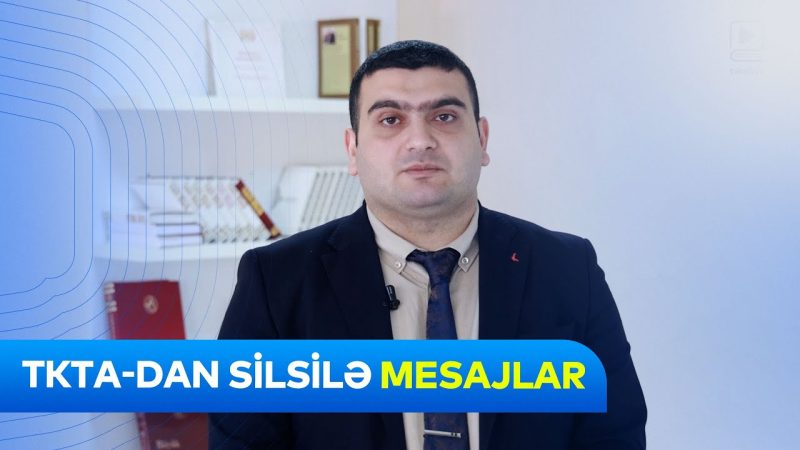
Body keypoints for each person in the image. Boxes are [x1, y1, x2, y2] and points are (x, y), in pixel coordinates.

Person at [210, 40, 646, 450]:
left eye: (444, 117)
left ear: (482, 139)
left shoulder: (567, 269)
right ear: (353, 148)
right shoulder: (276, 281)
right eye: (390, 119)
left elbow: (615, 436)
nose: (420, 140)